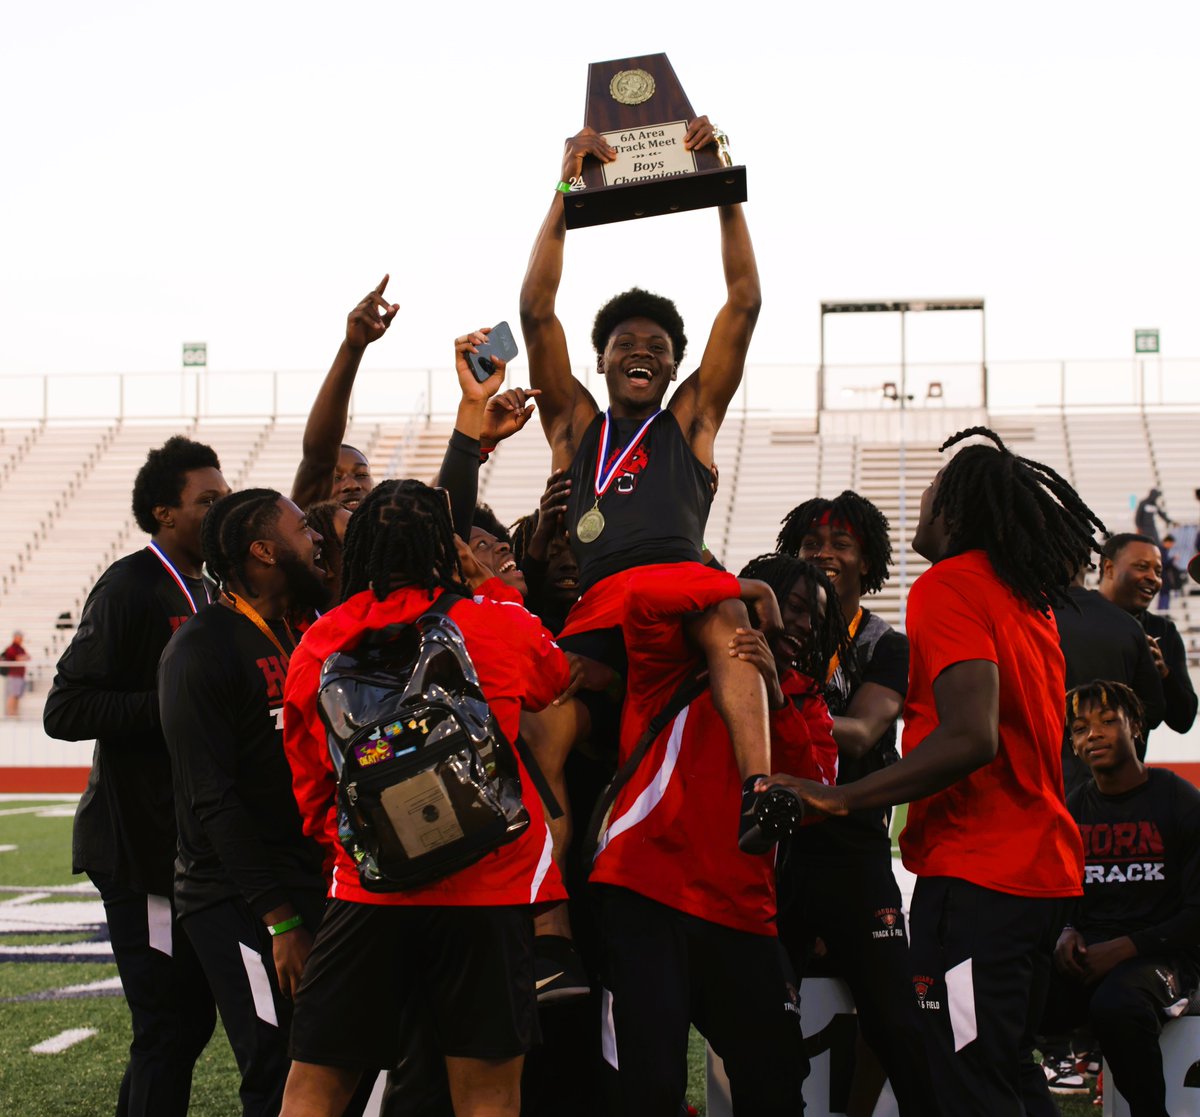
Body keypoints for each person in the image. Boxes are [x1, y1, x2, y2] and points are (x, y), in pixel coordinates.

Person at [762, 426, 1105, 1116]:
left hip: (980, 876)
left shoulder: (949, 585)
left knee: (968, 1079)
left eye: (933, 487)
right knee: (1003, 1069)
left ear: (954, 509)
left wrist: (838, 797)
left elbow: (970, 736)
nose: (918, 498)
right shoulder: (1026, 601)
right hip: (1038, 876)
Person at [519, 118, 777, 849]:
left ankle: (760, 791)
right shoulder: (573, 426)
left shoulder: (690, 420)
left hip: (680, 584)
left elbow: (746, 301)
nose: (642, 351)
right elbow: (536, 312)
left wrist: (721, 186)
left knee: (727, 623)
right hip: (600, 605)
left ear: (672, 370)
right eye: (625, 343)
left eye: (658, 348)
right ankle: (550, 921)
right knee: (539, 720)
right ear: (599, 362)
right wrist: (566, 187)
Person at [591, 553, 841, 1116]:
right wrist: (743, 589)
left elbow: (821, 798)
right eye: (795, 608)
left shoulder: (805, 701)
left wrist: (778, 701)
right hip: (647, 894)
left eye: (814, 619)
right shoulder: (672, 665)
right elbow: (644, 596)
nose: (802, 626)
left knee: (777, 1089)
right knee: (650, 1089)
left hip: (742, 912)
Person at [43, 436, 230, 1117]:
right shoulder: (128, 586)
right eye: (206, 500)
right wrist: (170, 706)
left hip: (189, 844)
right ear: (163, 514)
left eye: (225, 495)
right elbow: (63, 708)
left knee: (187, 1024)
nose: (221, 509)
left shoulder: (215, 585)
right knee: (168, 1025)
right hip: (140, 849)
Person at [158, 488, 332, 1117]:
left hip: (309, 874)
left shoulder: (303, 629)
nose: (314, 538)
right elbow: (213, 800)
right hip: (238, 898)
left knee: (328, 1057)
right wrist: (278, 918)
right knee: (276, 1066)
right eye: (301, 528)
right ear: (264, 551)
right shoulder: (199, 649)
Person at [776, 491, 933, 1115]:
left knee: (898, 1022)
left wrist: (778, 702)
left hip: (855, 852)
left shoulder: (883, 644)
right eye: (813, 543)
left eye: (842, 544)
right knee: (762, 1024)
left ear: (868, 562)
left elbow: (866, 732)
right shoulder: (774, 632)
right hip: (780, 852)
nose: (825, 554)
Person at [1032, 681, 1200, 1117]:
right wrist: (1065, 932)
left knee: (1117, 1005)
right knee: (1012, 995)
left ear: (1136, 727)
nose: (1094, 735)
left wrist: (1125, 948)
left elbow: (1196, 915)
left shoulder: (1179, 800)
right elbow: (1060, 895)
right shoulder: (1074, 808)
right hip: (1091, 956)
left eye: (1108, 721)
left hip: (1167, 957)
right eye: (1081, 728)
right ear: (1071, 742)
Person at [1053, 560, 1165, 794]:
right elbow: (1152, 711)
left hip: (1045, 787)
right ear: (1087, 562)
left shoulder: (1021, 618)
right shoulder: (1127, 624)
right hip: (1114, 790)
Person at [291, 277, 399, 513]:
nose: (351, 485)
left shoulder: (389, 540)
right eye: (335, 477)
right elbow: (318, 458)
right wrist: (352, 348)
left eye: (361, 474)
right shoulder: (307, 538)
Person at [1097, 533, 1197, 737]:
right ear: (1109, 568)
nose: (1153, 577)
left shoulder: (1163, 631)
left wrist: (1164, 674)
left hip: (1129, 767)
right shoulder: (1072, 618)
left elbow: (1184, 720)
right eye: (1142, 566)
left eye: (1158, 571)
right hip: (1064, 767)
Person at [2, 630, 30, 717]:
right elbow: (18, 658)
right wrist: (22, 657)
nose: (22, 639)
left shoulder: (20, 648)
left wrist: (22, 657)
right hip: (14, 675)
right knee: (13, 695)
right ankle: (11, 713)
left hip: (20, 675)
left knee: (17, 695)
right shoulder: (12, 648)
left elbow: (28, 657)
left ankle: (15, 712)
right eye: (20, 637)